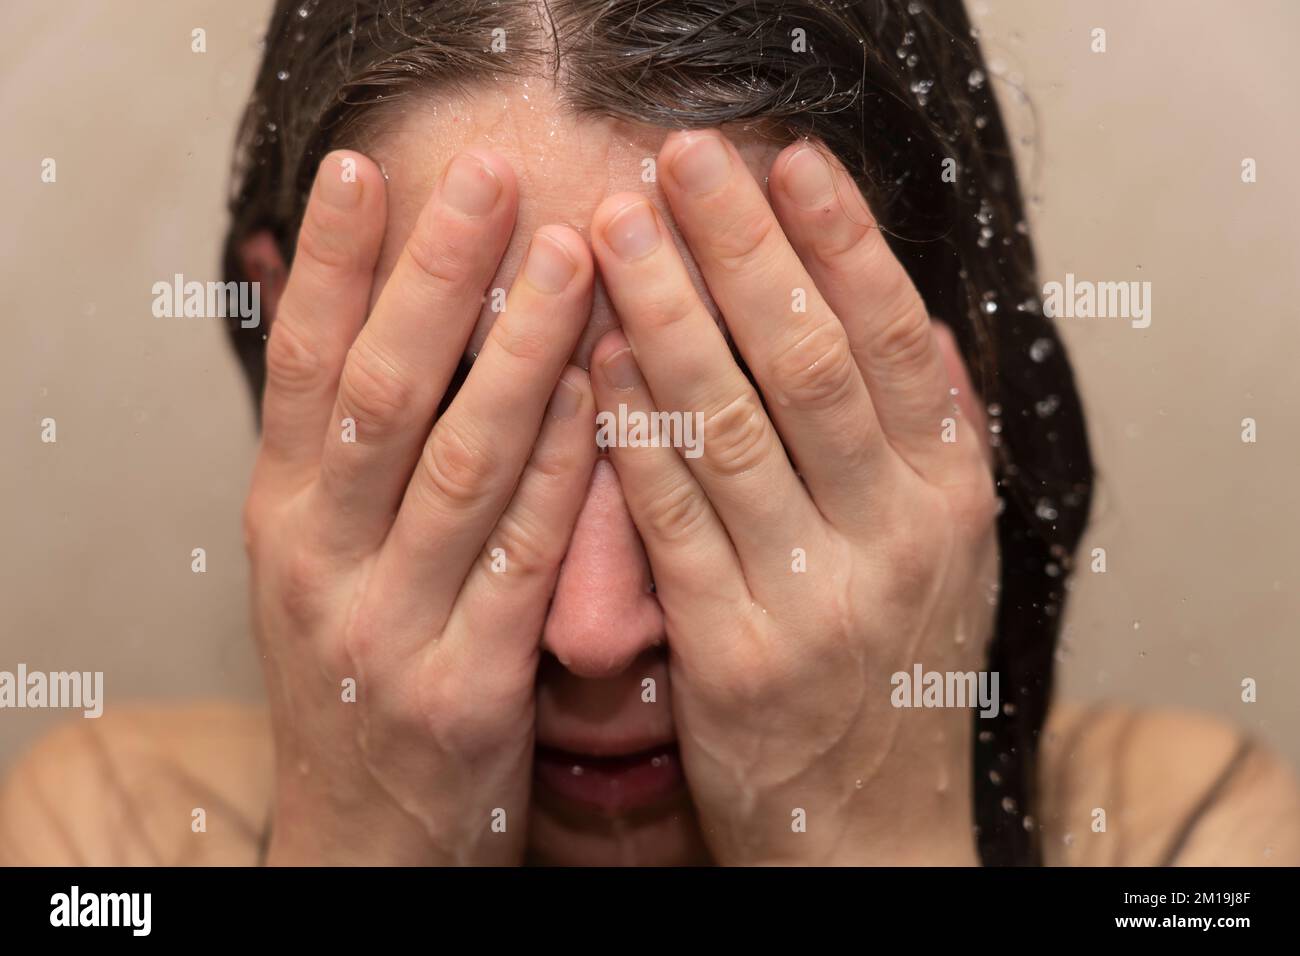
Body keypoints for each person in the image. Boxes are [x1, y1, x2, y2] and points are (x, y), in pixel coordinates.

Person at [2, 0, 1297, 866]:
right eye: (473, 414)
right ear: (298, 353)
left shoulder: (1188, 841)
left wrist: (872, 843)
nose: (592, 631)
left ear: (942, 383)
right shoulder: (108, 839)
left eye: (746, 414)